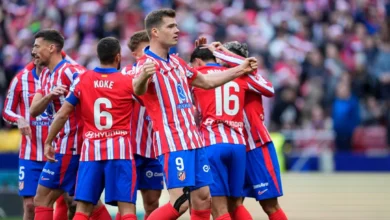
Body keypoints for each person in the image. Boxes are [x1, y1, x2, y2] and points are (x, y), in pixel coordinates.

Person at [132, 8, 258, 220]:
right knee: (180, 203)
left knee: (203, 198)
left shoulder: (178, 63)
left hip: (195, 142)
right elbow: (138, 89)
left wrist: (241, 69)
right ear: (154, 32)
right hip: (173, 143)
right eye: (170, 26)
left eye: (176, 25)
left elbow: (207, 82)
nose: (177, 30)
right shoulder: (146, 64)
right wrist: (144, 77)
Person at [45, 36, 138, 220]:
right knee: (127, 209)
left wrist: (49, 141)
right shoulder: (128, 81)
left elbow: (62, 114)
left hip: (91, 152)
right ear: (118, 57)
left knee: (83, 210)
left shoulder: (83, 79)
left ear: (98, 56)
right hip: (120, 151)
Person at [29, 29, 109, 220]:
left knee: (42, 199)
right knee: (86, 201)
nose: (33, 51)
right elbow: (33, 111)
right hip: (66, 144)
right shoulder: (46, 75)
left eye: (37, 46)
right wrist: (50, 95)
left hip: (71, 145)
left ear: (51, 47)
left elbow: (93, 98)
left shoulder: (73, 72)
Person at [191, 46, 272, 220]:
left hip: (213, 143)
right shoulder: (237, 75)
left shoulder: (196, 75)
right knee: (236, 204)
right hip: (238, 145)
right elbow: (268, 89)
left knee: (219, 209)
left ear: (197, 61)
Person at [212, 41, 288, 220]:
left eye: (224, 57)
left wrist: (224, 53)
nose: (220, 62)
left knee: (269, 204)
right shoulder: (217, 77)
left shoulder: (249, 76)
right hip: (234, 146)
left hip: (256, 146)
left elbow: (269, 89)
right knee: (233, 203)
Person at [118, 30, 163, 220]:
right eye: (147, 49)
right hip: (130, 148)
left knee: (153, 202)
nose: (152, 52)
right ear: (136, 54)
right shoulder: (127, 72)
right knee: (126, 203)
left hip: (154, 149)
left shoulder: (164, 69)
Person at [2, 58, 47, 220]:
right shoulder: (20, 79)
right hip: (30, 153)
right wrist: (18, 119)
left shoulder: (61, 77)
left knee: (69, 201)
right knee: (30, 205)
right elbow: (6, 111)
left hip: (57, 153)